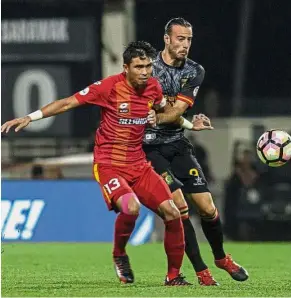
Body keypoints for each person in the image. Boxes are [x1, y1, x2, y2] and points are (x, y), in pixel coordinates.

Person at [1, 41, 191, 286]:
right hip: (109, 164)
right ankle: (119, 254)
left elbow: (168, 112)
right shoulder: (108, 87)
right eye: (139, 67)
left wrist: (185, 123)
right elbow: (69, 102)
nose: (145, 72)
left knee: (172, 213)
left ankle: (173, 277)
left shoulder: (153, 87)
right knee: (131, 207)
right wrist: (30, 117)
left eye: (148, 66)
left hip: (139, 164)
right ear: (125, 67)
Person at [143, 18, 249, 285]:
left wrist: (173, 117)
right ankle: (202, 271)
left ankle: (221, 257)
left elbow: (176, 110)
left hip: (178, 145)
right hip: (150, 149)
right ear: (166, 39)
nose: (185, 45)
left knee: (208, 207)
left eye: (189, 39)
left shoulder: (194, 71)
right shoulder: (147, 69)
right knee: (180, 209)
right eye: (180, 38)